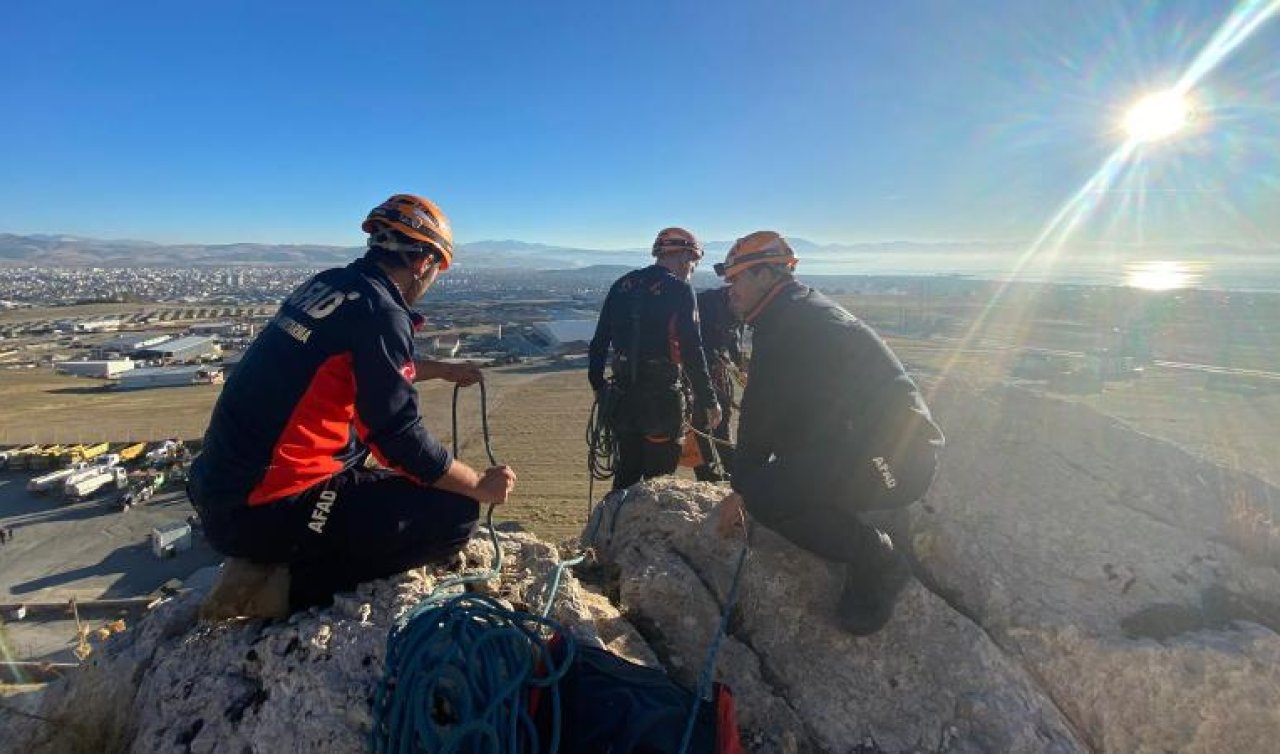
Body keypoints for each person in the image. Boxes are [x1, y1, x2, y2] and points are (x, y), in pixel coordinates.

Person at [188, 194, 517, 619]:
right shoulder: (382, 312)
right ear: (424, 263)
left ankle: (283, 548)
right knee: (454, 513)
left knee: (365, 459)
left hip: (223, 491)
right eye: (436, 269)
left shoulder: (330, 285)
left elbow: (346, 367)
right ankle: (280, 590)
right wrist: (478, 485)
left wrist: (437, 369)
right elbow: (398, 438)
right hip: (265, 510)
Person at [711, 231, 944, 636]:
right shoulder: (793, 312)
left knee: (767, 495)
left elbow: (759, 415)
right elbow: (779, 412)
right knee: (773, 478)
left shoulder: (792, 324)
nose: (730, 289)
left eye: (738, 278)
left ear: (767, 275)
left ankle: (877, 559)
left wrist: (745, 489)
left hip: (897, 461)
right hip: (872, 445)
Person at [588, 228, 722, 490]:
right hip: (662, 401)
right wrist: (709, 400)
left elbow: (599, 343)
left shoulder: (622, 285)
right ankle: (644, 528)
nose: (691, 270)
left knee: (626, 474)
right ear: (685, 256)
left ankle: (614, 527)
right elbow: (693, 350)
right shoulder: (680, 290)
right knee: (658, 483)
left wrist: (599, 388)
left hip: (622, 398)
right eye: (693, 264)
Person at [691, 286, 745, 482]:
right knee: (700, 424)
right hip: (696, 373)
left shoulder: (739, 307)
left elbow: (734, 340)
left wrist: (740, 364)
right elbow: (692, 344)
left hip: (717, 371)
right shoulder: (704, 304)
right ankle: (708, 475)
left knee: (722, 423)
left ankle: (731, 472)